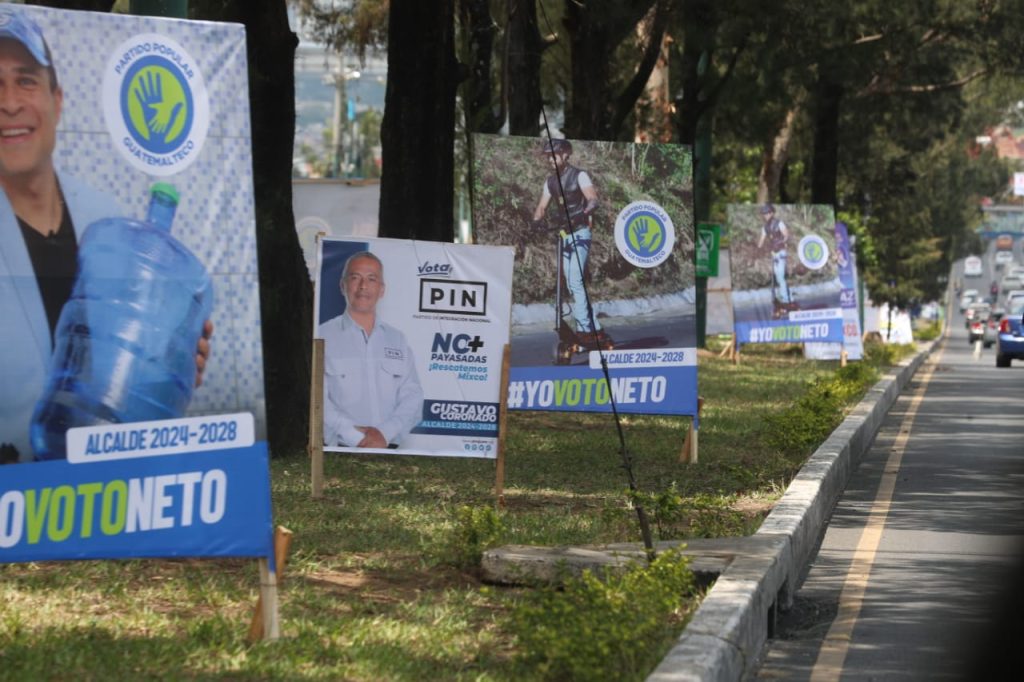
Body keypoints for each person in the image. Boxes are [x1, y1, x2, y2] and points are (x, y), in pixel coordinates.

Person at [0, 8, 211, 463]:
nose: (10, 102)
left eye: (26, 81)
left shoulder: (105, 223)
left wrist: (168, 359)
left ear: (57, 100)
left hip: (106, 486)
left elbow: (120, 361)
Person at [319, 251, 423, 448]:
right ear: (343, 286)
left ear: (381, 290)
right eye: (355, 277)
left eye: (371, 279)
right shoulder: (322, 336)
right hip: (339, 450)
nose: (363, 286)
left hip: (390, 449)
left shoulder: (397, 339)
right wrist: (355, 438)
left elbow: (413, 397)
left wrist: (384, 434)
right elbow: (317, 400)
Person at [531, 138, 612, 347]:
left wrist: (582, 213)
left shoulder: (579, 175)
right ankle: (595, 328)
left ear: (565, 154)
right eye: (548, 156)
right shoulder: (550, 182)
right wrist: (536, 222)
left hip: (580, 232)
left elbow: (593, 199)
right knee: (570, 283)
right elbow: (541, 207)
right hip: (564, 235)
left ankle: (585, 329)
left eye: (554, 155)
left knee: (575, 280)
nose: (550, 160)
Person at [756, 203, 796, 315]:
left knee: (779, 276)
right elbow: (762, 240)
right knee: (777, 278)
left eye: (768, 213)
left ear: (772, 213)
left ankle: (786, 300)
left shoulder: (779, 223)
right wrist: (758, 249)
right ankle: (789, 297)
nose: (766, 215)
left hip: (781, 252)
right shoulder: (765, 227)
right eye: (764, 213)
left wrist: (781, 242)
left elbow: (786, 235)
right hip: (773, 253)